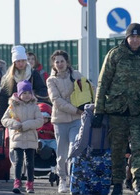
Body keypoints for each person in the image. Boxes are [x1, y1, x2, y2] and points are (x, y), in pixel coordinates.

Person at [92, 23, 140, 195]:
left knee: (139, 148)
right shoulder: (115, 55)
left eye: (138, 37)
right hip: (117, 109)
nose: (135, 40)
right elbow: (103, 83)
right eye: (132, 37)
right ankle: (117, 183)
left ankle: (139, 184)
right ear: (126, 38)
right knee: (117, 149)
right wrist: (98, 110)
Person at [46, 50, 84, 193]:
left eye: (62, 61)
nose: (60, 64)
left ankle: (74, 178)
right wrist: (76, 110)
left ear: (67, 62)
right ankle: (62, 179)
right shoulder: (51, 80)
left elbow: (89, 89)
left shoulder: (76, 75)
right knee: (61, 153)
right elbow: (56, 101)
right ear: (54, 64)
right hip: (60, 120)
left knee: (74, 149)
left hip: (76, 120)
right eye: (57, 62)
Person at [1, 80, 44, 194]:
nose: (27, 95)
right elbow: (4, 119)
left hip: (30, 137)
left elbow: (40, 121)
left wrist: (26, 125)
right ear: (19, 94)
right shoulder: (13, 106)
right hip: (17, 137)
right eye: (24, 93)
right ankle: (17, 182)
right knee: (18, 161)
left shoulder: (35, 107)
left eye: (29, 93)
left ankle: (30, 183)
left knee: (30, 162)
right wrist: (14, 124)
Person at [0, 45, 48, 131]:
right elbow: (2, 99)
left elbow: (42, 90)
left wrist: (31, 96)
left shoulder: (33, 74)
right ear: (14, 62)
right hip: (14, 115)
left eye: (23, 61)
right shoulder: (8, 78)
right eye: (18, 61)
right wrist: (0, 121)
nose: (21, 64)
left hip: (30, 114)